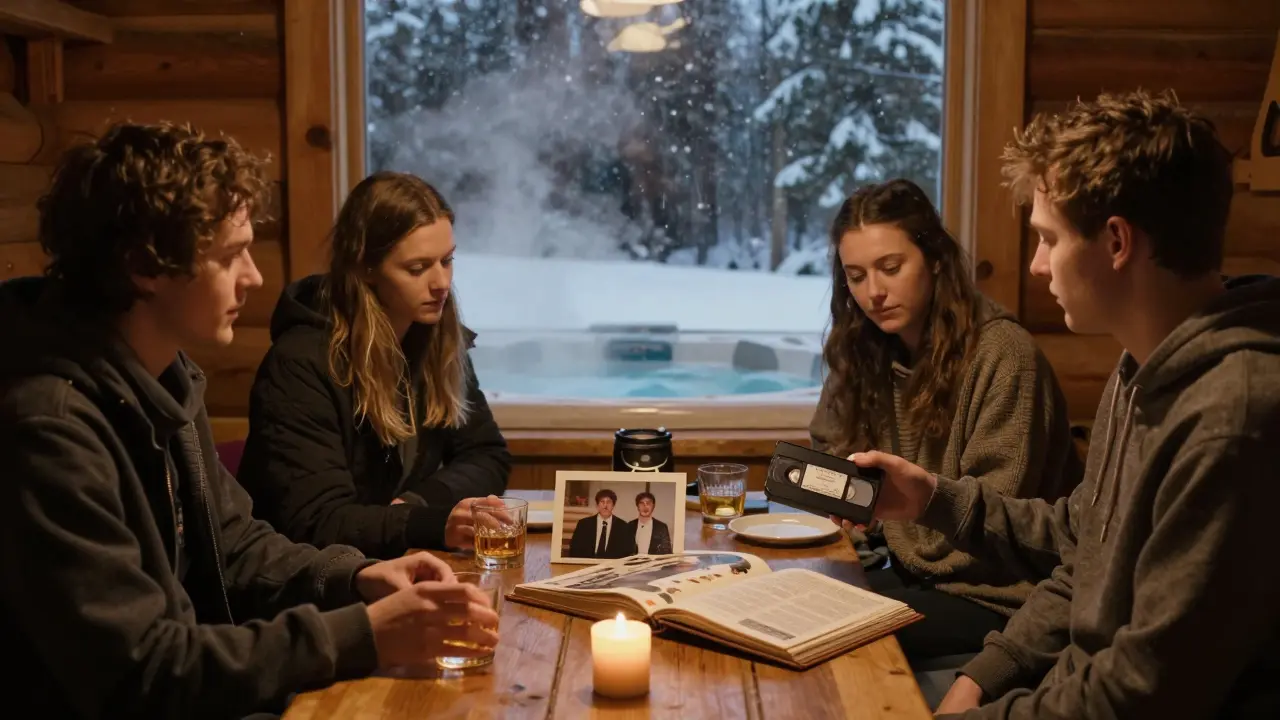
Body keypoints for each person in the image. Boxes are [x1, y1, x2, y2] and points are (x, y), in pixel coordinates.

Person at [0, 122, 500, 718]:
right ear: (144, 266)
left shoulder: (166, 378)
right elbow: (144, 670)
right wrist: (363, 633)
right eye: (229, 255)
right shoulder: (50, 430)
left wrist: (359, 576)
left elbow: (235, 545)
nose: (254, 276)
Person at [844, 90, 1280, 718]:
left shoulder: (1231, 420)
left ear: (1117, 242)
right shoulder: (1140, 370)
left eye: (1048, 238)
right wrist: (930, 500)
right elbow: (1082, 553)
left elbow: (1143, 692)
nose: (1036, 264)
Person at [811, 178, 1082, 664]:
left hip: (1000, 594)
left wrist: (887, 520)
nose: (874, 293)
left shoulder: (1005, 356)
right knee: (799, 600)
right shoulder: (864, 348)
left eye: (891, 268)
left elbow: (992, 523)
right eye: (855, 276)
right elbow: (831, 452)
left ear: (935, 259)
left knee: (832, 634)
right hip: (915, 573)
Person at [237, 171, 512, 560]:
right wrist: (424, 522)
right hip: (310, 582)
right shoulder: (300, 364)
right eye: (417, 268)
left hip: (388, 564)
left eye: (447, 261)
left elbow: (487, 453)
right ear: (366, 267)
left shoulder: (436, 338)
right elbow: (314, 522)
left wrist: (418, 503)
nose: (441, 283)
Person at [568, 489, 637, 559]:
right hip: (587, 563)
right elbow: (574, 549)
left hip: (613, 564)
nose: (605, 505)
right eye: (602, 502)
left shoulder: (623, 527)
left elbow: (628, 552)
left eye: (608, 502)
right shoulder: (584, 524)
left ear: (613, 505)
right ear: (597, 505)